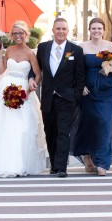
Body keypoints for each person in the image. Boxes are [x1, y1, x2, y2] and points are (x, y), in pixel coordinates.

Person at [0, 21, 47, 177]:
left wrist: (30, 88)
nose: (18, 36)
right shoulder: (8, 50)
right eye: (15, 33)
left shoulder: (30, 53)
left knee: (23, 129)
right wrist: (0, 53)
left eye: (21, 33)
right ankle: (2, 163)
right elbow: (2, 71)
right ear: (11, 35)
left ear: (26, 35)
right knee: (4, 127)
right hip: (5, 89)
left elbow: (38, 75)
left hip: (24, 93)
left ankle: (20, 163)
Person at [36, 17, 85, 177]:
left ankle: (61, 166)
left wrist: (75, 96)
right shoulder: (43, 48)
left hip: (67, 99)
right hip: (48, 98)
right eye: (58, 29)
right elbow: (35, 69)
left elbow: (80, 77)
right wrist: (31, 78)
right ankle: (54, 165)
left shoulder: (75, 50)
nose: (61, 32)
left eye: (64, 29)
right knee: (50, 132)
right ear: (53, 30)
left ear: (68, 31)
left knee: (63, 132)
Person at [70, 17, 112, 175]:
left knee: (104, 123)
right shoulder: (81, 47)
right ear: (89, 30)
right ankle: (88, 157)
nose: (96, 31)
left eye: (99, 28)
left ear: (104, 30)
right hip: (87, 91)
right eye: (94, 28)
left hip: (107, 90)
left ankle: (102, 163)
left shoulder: (110, 46)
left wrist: (109, 66)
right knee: (88, 125)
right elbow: (75, 69)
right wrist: (80, 85)